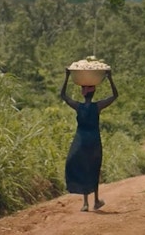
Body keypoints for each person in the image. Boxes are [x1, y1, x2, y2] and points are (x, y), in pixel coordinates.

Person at [60, 68, 118, 211]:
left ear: (83, 93)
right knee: (94, 167)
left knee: (82, 167)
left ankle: (85, 203)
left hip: (80, 141)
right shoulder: (97, 106)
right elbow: (115, 95)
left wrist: (67, 76)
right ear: (94, 93)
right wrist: (109, 78)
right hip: (94, 141)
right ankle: (96, 200)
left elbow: (63, 95)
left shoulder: (78, 107)